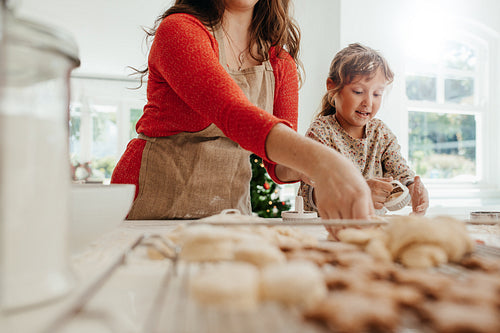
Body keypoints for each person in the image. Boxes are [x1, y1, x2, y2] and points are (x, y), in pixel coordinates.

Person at [111, 0, 373, 220]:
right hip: (148, 209)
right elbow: (233, 113)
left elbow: (279, 165)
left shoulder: (280, 61)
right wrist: (324, 163)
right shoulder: (179, 30)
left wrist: (315, 172)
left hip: (228, 214)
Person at [298, 43, 429, 215]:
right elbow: (314, 191)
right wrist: (360, 192)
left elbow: (400, 171)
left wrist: (413, 188)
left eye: (377, 94)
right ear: (332, 87)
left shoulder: (380, 133)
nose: (368, 102)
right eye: (358, 91)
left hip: (371, 229)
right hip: (327, 229)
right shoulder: (321, 131)